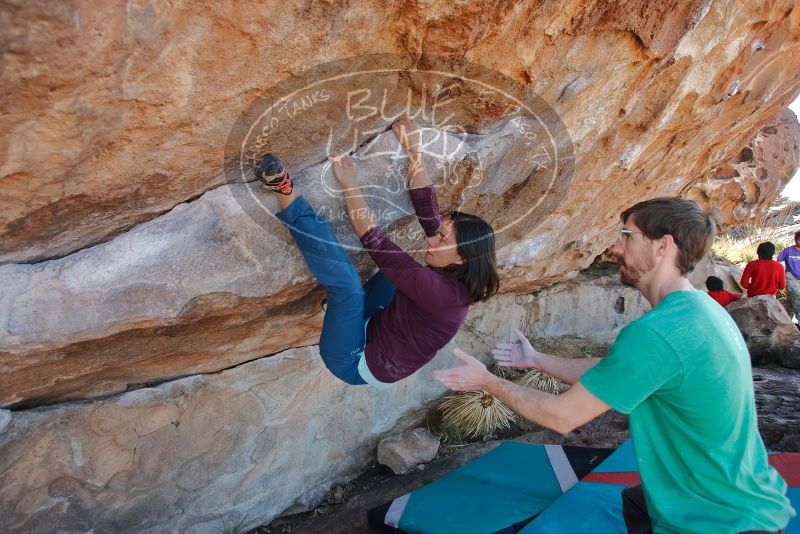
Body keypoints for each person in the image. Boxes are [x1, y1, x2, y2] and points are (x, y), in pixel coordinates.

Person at [433, 197, 794, 533]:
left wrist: (488, 382)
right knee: (636, 500)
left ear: (663, 245)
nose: (615, 248)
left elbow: (561, 417)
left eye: (626, 236)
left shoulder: (659, 332)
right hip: (744, 498)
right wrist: (536, 360)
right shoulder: (702, 311)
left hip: (714, 521)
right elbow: (615, 372)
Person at [255, 117, 499, 387]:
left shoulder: (441, 294)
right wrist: (413, 150)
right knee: (397, 272)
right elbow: (429, 214)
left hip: (355, 361)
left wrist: (349, 183)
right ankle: (346, 312)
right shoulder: (458, 264)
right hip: (380, 325)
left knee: (348, 286)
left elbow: (374, 241)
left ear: (461, 256)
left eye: (441, 239)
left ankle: (282, 190)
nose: (433, 241)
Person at [777, 231, 800, 321]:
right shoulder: (788, 250)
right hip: (791, 277)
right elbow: (778, 261)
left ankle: (787, 319)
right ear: (796, 240)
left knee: (792, 299)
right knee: (797, 295)